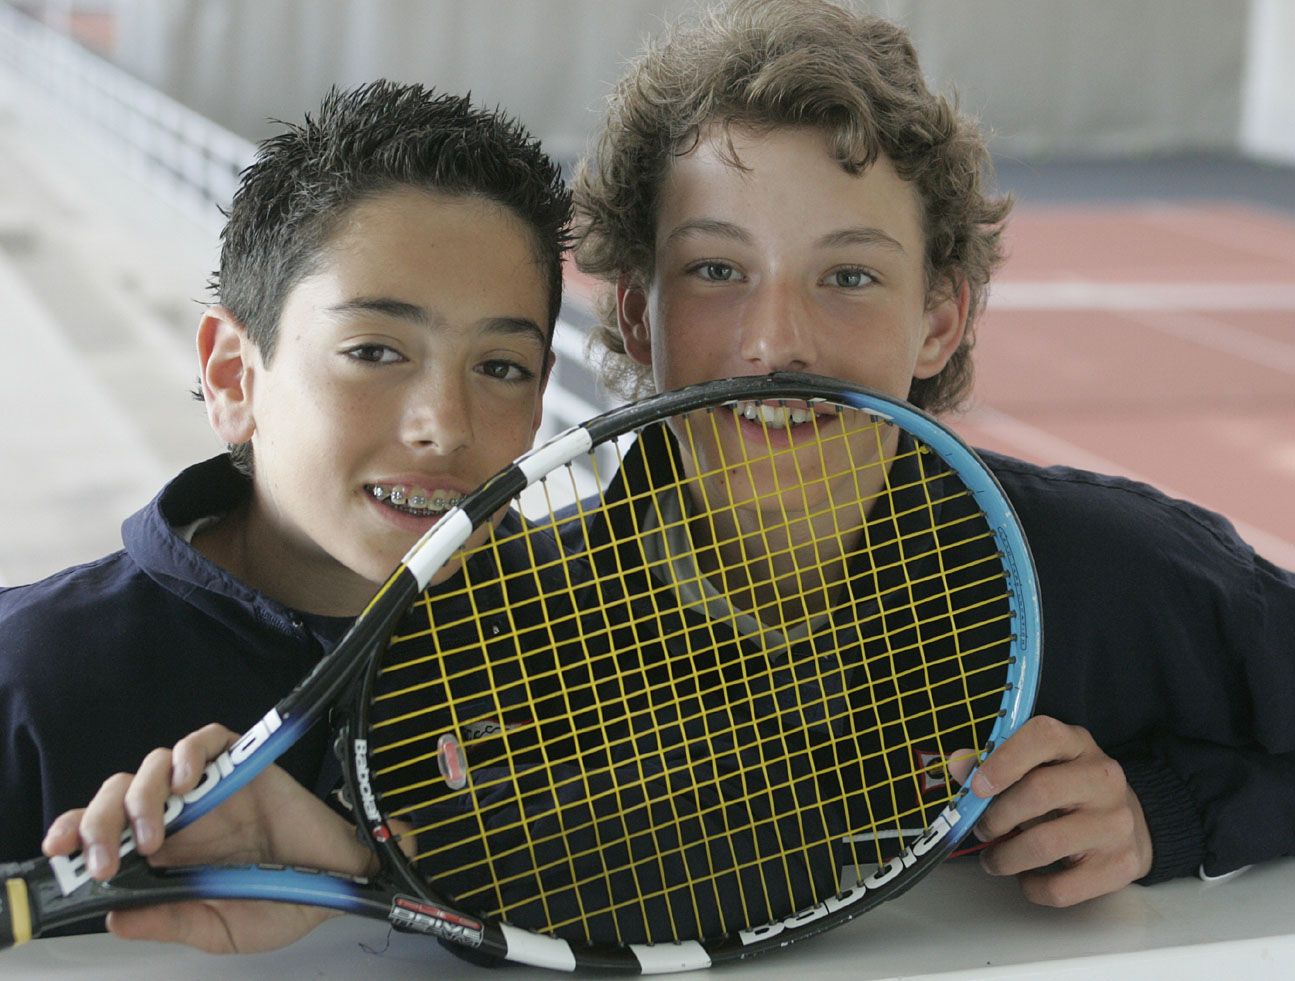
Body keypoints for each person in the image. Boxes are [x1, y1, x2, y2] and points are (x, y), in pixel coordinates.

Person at [44, 0, 1295, 956]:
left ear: (939, 319)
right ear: (634, 323)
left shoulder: (1131, 577)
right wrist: (364, 874)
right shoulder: (493, 626)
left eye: (849, 275)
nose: (773, 342)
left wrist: (1163, 814)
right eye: (714, 272)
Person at [3, 79, 572, 884]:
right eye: (375, 352)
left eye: (501, 367)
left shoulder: (590, 631)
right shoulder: (32, 672)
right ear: (235, 377)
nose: (445, 423)